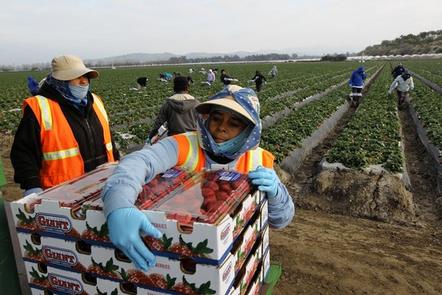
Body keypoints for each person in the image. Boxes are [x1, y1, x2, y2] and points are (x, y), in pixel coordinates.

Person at [101, 86, 295, 271]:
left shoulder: (258, 160)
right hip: (180, 250)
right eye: (216, 118)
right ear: (206, 118)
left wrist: (277, 194)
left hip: (234, 254)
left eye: (234, 123)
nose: (221, 128)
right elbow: (140, 161)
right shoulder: (182, 145)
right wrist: (119, 203)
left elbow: (280, 220)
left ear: (248, 131)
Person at [10, 55, 119, 196]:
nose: (83, 81)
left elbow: (109, 141)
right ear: (61, 80)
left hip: (102, 184)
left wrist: (118, 165)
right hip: (62, 194)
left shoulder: (96, 102)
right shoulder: (40, 107)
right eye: (77, 77)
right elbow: (23, 153)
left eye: (86, 77)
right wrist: (31, 185)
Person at [147, 76, 199, 144]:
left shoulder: (168, 104)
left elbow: (158, 123)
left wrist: (151, 136)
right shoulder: (196, 103)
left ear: (174, 88)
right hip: (192, 139)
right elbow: (203, 122)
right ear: (187, 87)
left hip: (174, 140)